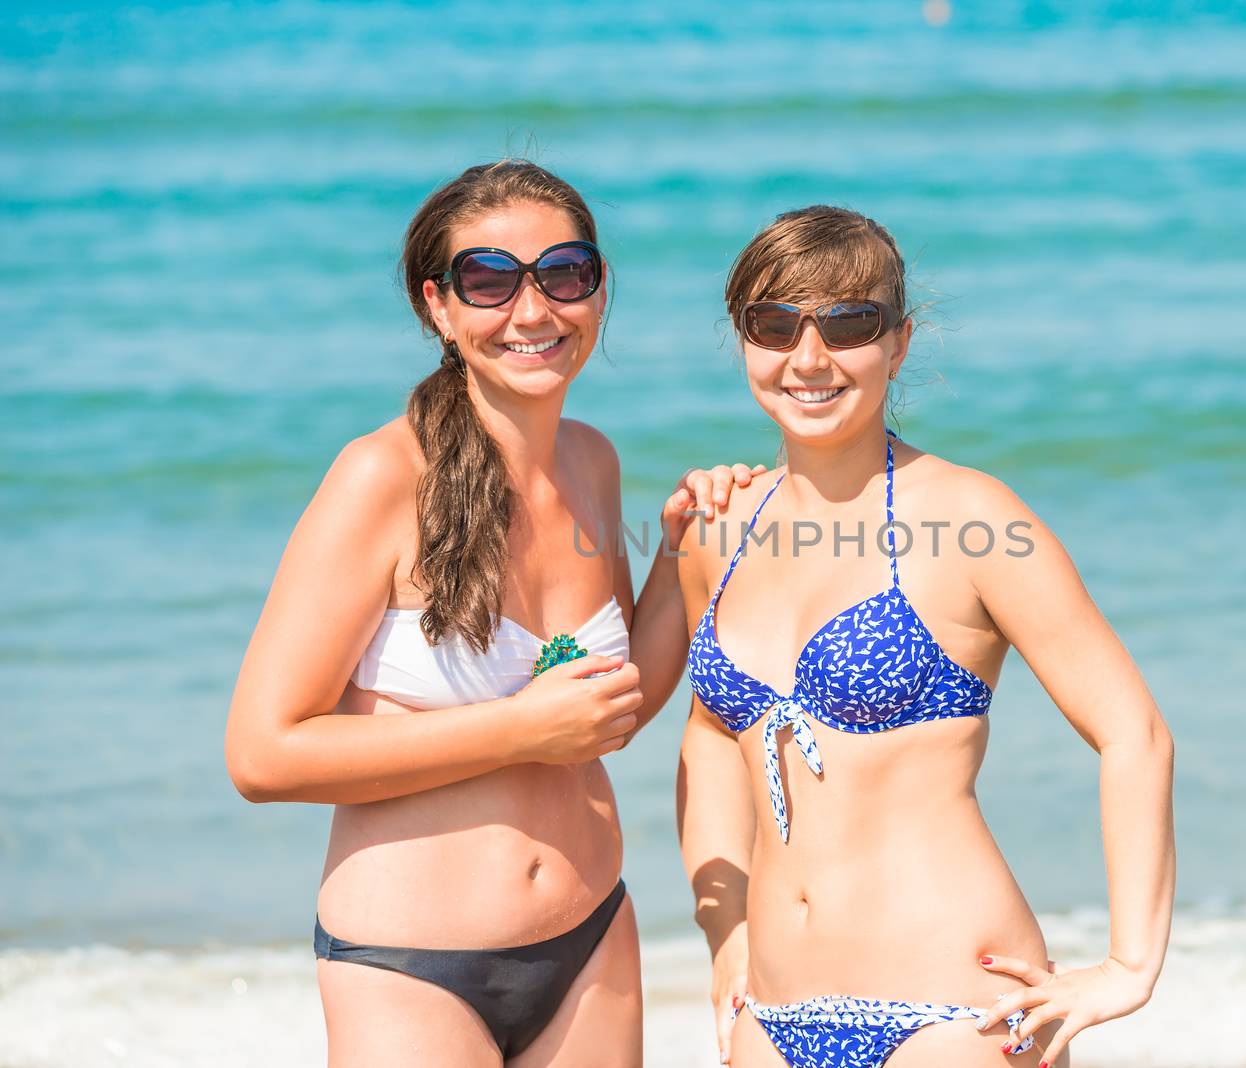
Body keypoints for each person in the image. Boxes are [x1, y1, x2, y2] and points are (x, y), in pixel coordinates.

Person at [224, 159, 761, 1067]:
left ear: (596, 290)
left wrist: (682, 550)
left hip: (592, 939)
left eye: (565, 273)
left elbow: (606, 715)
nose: (532, 309)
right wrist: (516, 729)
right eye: (488, 280)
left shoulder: (591, 461)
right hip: (413, 969)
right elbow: (262, 754)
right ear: (438, 305)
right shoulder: (381, 478)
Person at [676, 206, 1176, 1068]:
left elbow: (1134, 733)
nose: (808, 358)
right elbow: (715, 734)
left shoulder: (974, 520)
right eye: (774, 325)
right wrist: (726, 931)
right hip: (774, 1014)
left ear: (898, 343)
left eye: (848, 324)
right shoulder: (714, 530)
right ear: (743, 341)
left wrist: (1130, 967)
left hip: (952, 1013)